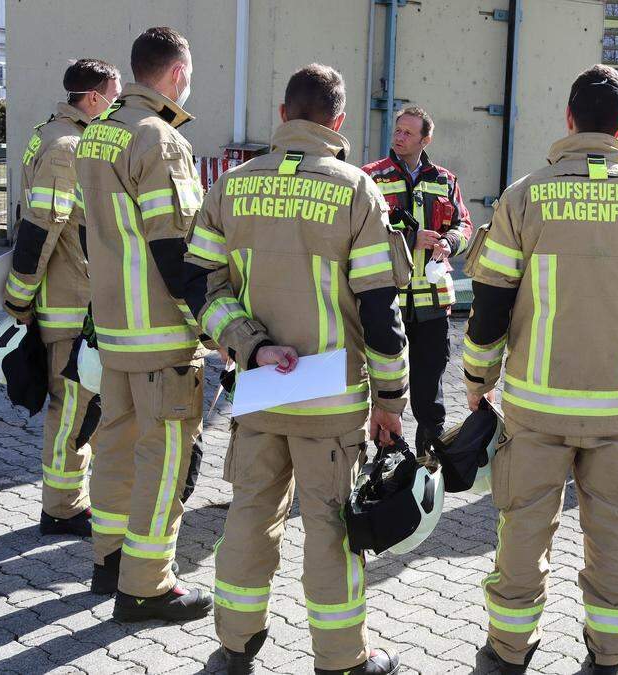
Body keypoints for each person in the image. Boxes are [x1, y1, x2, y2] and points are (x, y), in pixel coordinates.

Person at [462, 64, 618, 674]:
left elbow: (490, 302)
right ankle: (610, 655)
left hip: (537, 407)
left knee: (521, 535)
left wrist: (477, 380)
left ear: (568, 120)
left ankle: (508, 652)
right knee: (617, 538)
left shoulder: (523, 197)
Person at [186, 64, 410, 675]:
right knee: (332, 530)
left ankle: (234, 647)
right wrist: (391, 401)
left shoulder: (231, 186)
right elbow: (378, 309)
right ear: (337, 122)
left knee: (250, 515)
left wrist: (251, 346)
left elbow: (200, 286)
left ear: (283, 115)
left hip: (261, 387)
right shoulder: (356, 190)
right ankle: (341, 660)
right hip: (332, 401)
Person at [76, 26, 214, 621]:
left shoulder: (96, 134)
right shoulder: (158, 139)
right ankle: (147, 585)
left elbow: (91, 233)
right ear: (177, 74)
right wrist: (210, 325)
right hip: (161, 335)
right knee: (164, 461)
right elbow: (174, 248)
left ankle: (108, 561)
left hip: (113, 329)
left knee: (113, 444)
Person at [4, 58, 121, 537]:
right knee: (72, 408)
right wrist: (18, 299)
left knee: (77, 407)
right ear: (92, 98)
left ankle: (66, 499)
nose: (115, 108)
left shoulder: (49, 133)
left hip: (69, 296)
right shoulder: (67, 146)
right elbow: (40, 228)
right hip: (69, 302)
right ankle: (62, 508)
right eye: (113, 97)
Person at [361, 107, 472, 454]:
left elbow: (464, 225)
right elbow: (360, 235)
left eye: (408, 133)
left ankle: (427, 459)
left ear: (426, 140)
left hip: (433, 306)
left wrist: (449, 242)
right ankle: (382, 457)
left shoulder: (445, 180)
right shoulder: (371, 177)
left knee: (430, 390)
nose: (399, 136)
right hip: (386, 303)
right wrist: (410, 242)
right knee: (382, 387)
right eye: (398, 130)